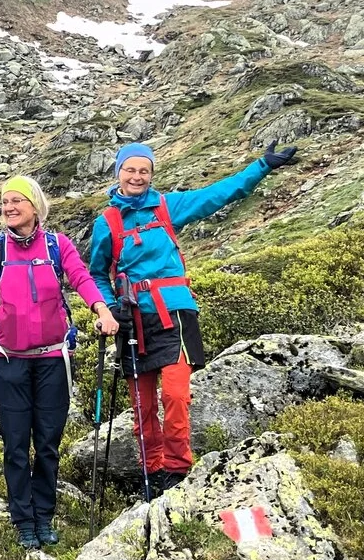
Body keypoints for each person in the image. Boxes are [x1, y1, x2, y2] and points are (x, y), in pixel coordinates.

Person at [88, 141, 298, 497]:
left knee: (175, 395)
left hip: (175, 313)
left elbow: (217, 195)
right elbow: (96, 273)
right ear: (118, 172)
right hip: (132, 320)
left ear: (151, 174)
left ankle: (177, 469)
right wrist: (109, 307)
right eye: (130, 170)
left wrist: (262, 166)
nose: (137, 176)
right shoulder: (106, 223)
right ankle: (153, 471)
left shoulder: (167, 206)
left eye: (144, 171)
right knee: (142, 406)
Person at [0, 176, 120, 549]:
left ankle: (44, 515)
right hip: (8, 361)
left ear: (35, 206)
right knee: (16, 444)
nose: (9, 207)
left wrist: (102, 309)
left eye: (16, 201)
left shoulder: (57, 245)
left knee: (48, 443)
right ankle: (23, 520)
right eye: (4, 202)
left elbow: (81, 278)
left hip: (53, 358)